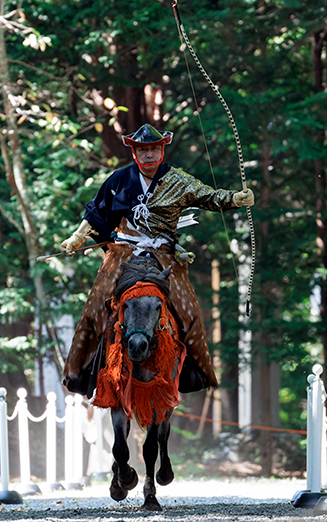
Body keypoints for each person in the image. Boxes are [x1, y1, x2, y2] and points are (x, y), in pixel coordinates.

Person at [60, 124, 254, 396]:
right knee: (94, 306)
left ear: (161, 149)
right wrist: (76, 238)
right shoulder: (118, 180)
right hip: (123, 252)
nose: (149, 155)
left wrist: (235, 198)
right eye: (143, 149)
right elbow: (95, 212)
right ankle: (80, 372)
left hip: (164, 255)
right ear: (135, 152)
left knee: (190, 314)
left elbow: (209, 197)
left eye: (153, 148)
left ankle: (192, 373)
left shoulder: (178, 180)